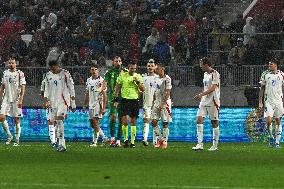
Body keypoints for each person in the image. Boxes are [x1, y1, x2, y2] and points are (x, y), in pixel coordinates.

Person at [43, 60, 76, 152]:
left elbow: (71, 87)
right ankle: (58, 140)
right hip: (53, 102)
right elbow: (46, 89)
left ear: (57, 66)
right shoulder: (48, 75)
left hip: (63, 101)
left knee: (59, 119)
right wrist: (46, 101)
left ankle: (62, 144)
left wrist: (73, 102)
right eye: (51, 67)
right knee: (56, 123)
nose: (52, 69)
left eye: (54, 67)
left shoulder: (65, 73)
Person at [114, 62, 145, 148]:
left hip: (134, 101)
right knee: (124, 121)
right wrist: (115, 100)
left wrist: (137, 82)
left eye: (135, 68)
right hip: (125, 100)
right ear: (128, 68)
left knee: (133, 121)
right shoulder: (123, 76)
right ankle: (125, 140)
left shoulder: (138, 76)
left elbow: (143, 89)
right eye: (132, 68)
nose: (133, 70)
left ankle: (132, 142)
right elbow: (117, 88)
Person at [192, 57, 220, 151]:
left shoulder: (215, 74)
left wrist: (201, 94)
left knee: (214, 122)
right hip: (204, 100)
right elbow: (206, 87)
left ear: (206, 64)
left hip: (213, 100)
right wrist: (202, 95)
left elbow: (213, 88)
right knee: (199, 119)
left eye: (201, 64)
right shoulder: (205, 74)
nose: (200, 66)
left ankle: (215, 145)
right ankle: (200, 144)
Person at [0, 56, 26, 146]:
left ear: (16, 64)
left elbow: (23, 86)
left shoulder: (20, 73)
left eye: (13, 63)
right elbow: (2, 86)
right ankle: (9, 135)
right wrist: (0, 97)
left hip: (16, 99)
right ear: (8, 64)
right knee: (2, 117)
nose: (11, 64)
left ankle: (17, 140)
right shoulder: (5, 73)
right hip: (6, 98)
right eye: (9, 63)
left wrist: (21, 99)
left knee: (16, 119)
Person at [103, 56, 128, 147]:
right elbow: (105, 83)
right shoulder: (109, 72)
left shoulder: (125, 71)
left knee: (121, 119)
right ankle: (112, 139)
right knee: (113, 117)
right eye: (116, 61)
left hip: (123, 98)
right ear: (113, 62)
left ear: (121, 62)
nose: (118, 62)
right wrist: (102, 88)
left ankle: (118, 140)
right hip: (112, 97)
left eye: (119, 61)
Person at [258, 59, 283, 148]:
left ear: (275, 65)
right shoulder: (265, 74)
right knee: (268, 121)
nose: (269, 66)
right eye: (269, 64)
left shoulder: (282, 74)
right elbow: (262, 89)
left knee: (278, 121)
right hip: (268, 101)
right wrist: (260, 102)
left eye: (271, 64)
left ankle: (277, 142)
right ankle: (271, 137)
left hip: (279, 101)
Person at [83, 66, 108, 147]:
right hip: (91, 104)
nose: (94, 71)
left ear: (98, 71)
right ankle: (104, 138)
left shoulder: (101, 81)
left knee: (95, 122)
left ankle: (95, 142)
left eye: (95, 69)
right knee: (92, 124)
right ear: (90, 71)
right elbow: (87, 93)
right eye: (92, 69)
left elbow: (105, 95)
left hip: (98, 104)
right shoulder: (89, 80)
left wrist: (104, 108)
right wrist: (84, 104)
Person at [152, 63, 172, 149]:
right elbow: (155, 90)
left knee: (165, 123)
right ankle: (160, 139)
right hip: (156, 102)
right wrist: (154, 101)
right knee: (153, 121)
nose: (155, 70)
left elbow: (168, 92)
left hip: (165, 103)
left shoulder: (167, 79)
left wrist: (164, 103)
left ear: (162, 69)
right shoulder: (155, 78)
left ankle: (165, 141)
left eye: (157, 69)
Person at [141, 59, 157, 146]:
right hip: (146, 103)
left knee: (154, 121)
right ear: (147, 67)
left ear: (155, 67)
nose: (150, 67)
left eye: (152, 66)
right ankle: (145, 139)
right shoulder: (143, 78)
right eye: (148, 66)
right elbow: (140, 90)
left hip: (156, 103)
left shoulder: (157, 78)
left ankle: (155, 141)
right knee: (146, 120)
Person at [40, 77, 57, 147]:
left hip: (59, 102)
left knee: (58, 121)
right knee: (51, 121)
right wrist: (45, 102)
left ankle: (56, 139)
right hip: (50, 102)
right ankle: (53, 142)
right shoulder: (44, 81)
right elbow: (42, 92)